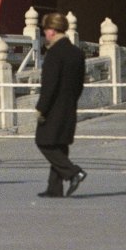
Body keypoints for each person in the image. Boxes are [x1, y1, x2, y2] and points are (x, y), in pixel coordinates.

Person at [35, 12, 87, 198]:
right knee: (60, 144)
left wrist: (42, 108)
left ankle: (74, 172)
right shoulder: (77, 53)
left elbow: (50, 85)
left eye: (46, 30)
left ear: (52, 31)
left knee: (44, 142)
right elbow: (80, 84)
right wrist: (71, 100)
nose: (45, 34)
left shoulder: (54, 53)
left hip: (54, 108)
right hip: (69, 105)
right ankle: (54, 188)